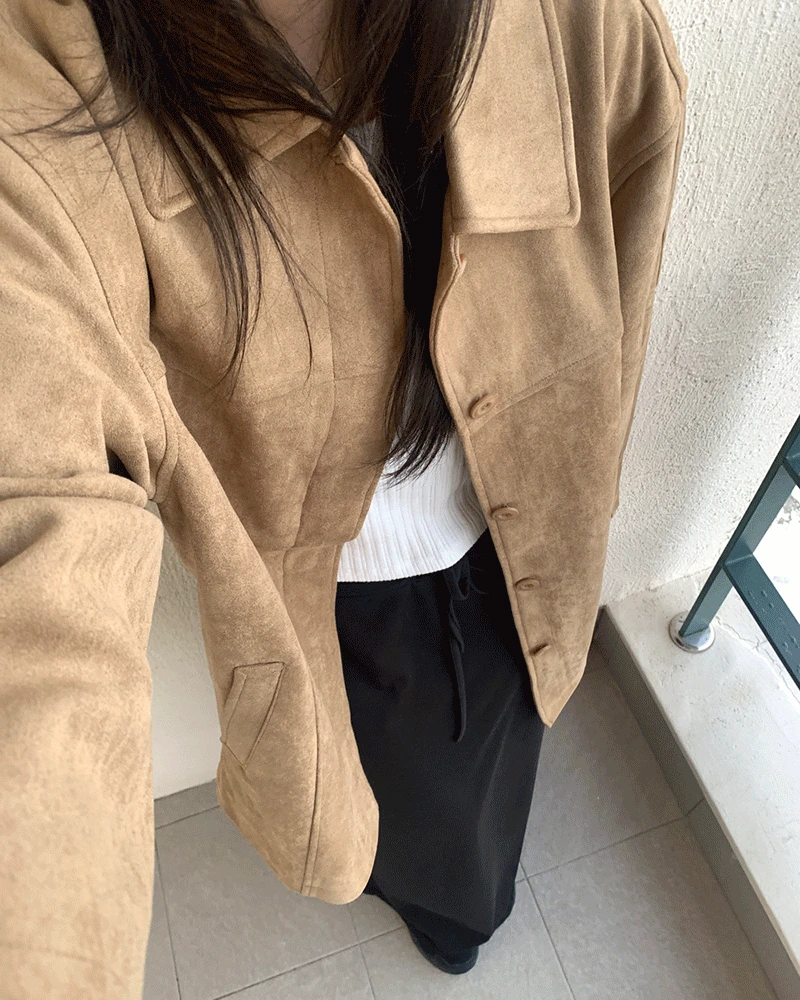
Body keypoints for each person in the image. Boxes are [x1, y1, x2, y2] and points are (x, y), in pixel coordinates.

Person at [0, 0, 688, 995]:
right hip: (335, 594)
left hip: (521, 531)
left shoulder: (567, 20)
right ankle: (440, 905)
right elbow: (34, 548)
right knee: (392, 787)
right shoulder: (44, 68)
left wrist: (591, 478)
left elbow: (626, 217)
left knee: (486, 769)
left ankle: (458, 914)